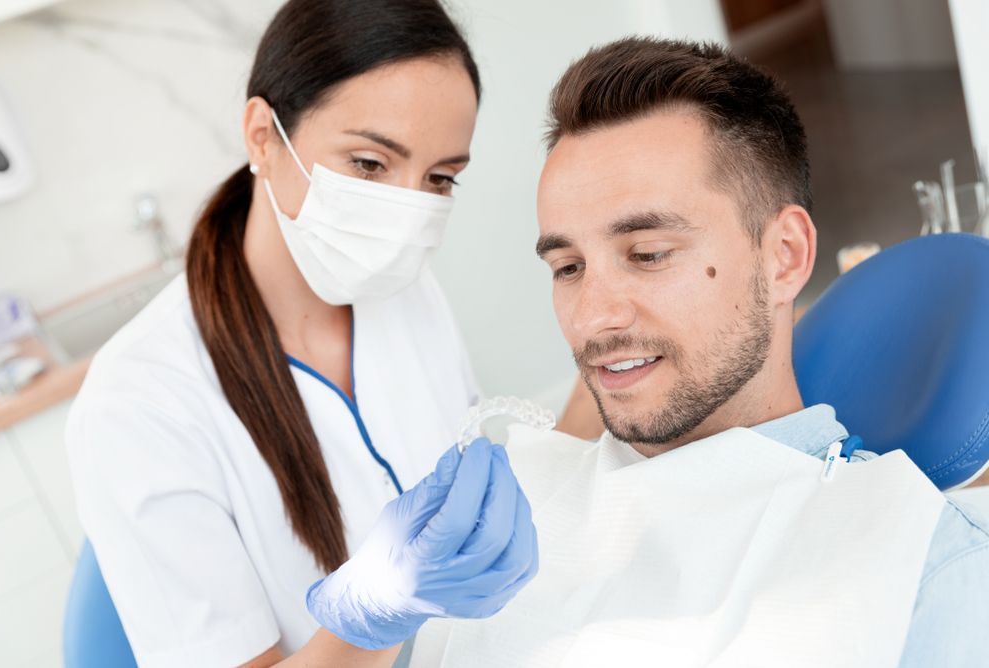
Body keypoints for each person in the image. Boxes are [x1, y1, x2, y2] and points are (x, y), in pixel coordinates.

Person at [405, 37, 989, 666]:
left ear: (784, 255)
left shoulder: (923, 568)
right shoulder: (508, 514)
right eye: (568, 267)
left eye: (648, 254)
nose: (594, 317)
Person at [66, 1, 545, 666]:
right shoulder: (140, 402)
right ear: (262, 134)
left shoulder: (407, 294)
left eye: (439, 178)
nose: (408, 211)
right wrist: (375, 612)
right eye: (370, 164)